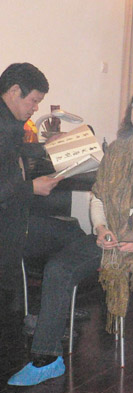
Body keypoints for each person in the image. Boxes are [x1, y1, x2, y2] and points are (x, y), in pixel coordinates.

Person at [8, 84, 133, 386]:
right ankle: (47, 358)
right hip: (112, 233)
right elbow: (99, 196)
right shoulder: (118, 149)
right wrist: (100, 229)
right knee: (59, 269)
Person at [0, 63, 80, 312]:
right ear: (14, 91)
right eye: (34, 101)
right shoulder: (4, 125)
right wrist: (31, 188)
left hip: (13, 218)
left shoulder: (9, 122)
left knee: (69, 232)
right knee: (72, 236)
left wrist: (46, 147)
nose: (35, 109)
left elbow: (13, 150)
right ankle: (53, 311)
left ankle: (43, 312)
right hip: (6, 225)